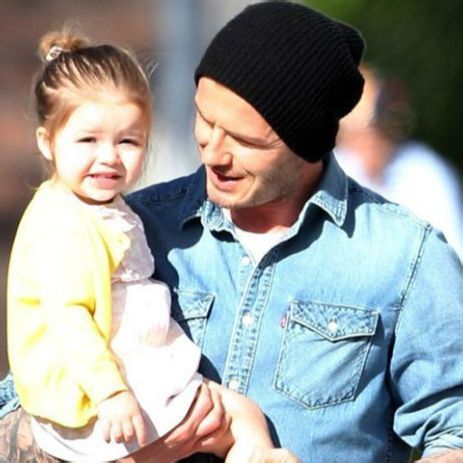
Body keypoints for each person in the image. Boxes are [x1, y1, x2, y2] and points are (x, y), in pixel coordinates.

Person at [1, 2, 463, 462]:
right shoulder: (130, 227)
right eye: (205, 120)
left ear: (306, 145)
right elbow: (25, 396)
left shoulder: (407, 257)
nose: (213, 153)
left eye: (244, 140)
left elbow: (454, 430)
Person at [2, 26, 298, 463]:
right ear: (47, 142)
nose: (109, 156)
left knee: (242, 416)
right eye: (88, 140)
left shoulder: (103, 206)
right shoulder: (63, 222)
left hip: (135, 371)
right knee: (232, 417)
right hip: (98, 395)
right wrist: (110, 393)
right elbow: (68, 318)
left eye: (128, 141)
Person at [335, 65, 463, 259]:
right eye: (359, 132)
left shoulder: (426, 173)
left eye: (377, 127)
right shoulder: (332, 171)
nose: (370, 141)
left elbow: (454, 252)